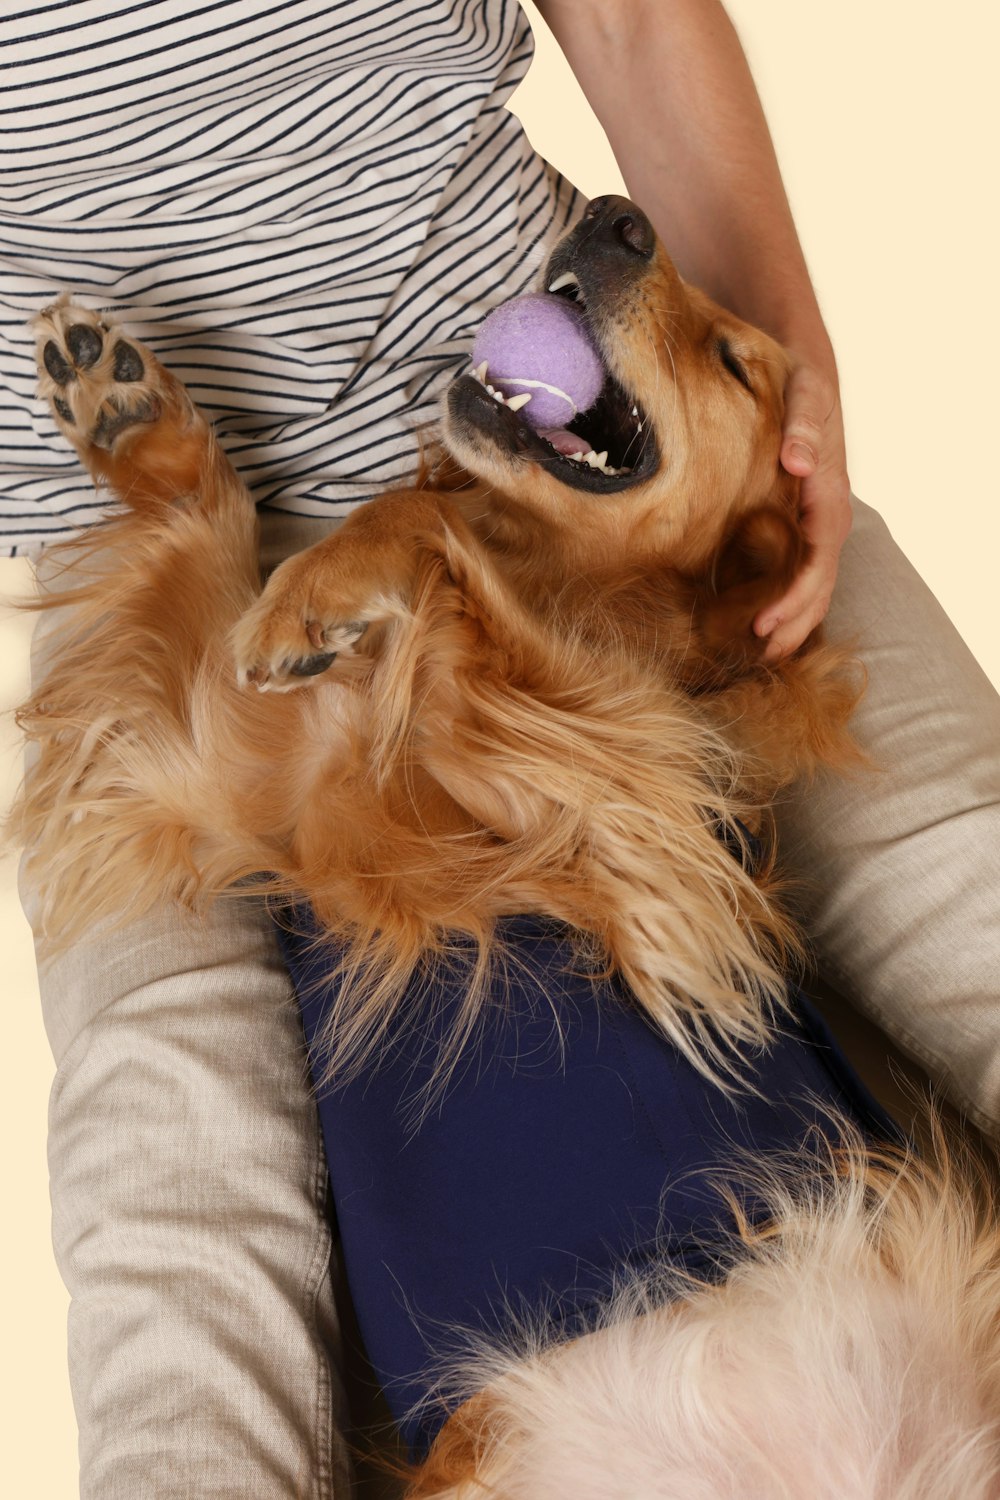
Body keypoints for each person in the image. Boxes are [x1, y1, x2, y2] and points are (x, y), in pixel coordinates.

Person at [4, 0, 998, 1494]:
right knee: (175, 1219)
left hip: (588, 464)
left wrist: (786, 379)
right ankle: (180, 526)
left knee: (965, 872)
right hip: (150, 558)